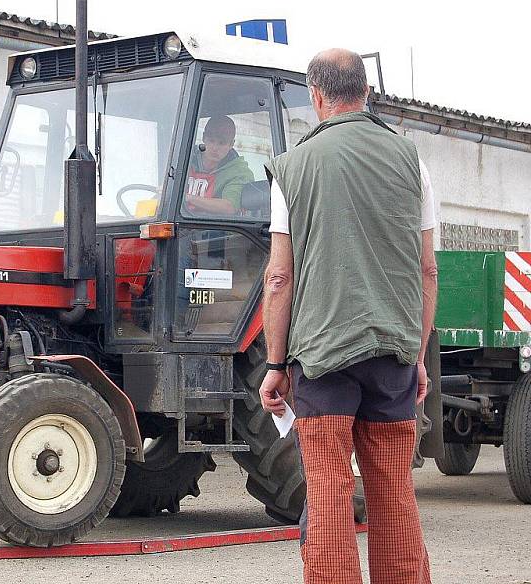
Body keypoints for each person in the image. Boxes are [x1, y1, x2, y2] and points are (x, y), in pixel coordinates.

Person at [259, 48, 436, 584]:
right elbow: (427, 270)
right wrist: (419, 357)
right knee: (393, 496)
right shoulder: (412, 161)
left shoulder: (291, 168)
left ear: (316, 96)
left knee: (330, 492)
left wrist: (274, 363)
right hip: (394, 357)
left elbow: (278, 278)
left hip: (323, 358)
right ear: (366, 91)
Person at [184, 115, 254, 216]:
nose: (215, 148)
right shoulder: (185, 159)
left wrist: (188, 198)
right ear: (204, 138)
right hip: (181, 224)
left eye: (222, 143)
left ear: (231, 144)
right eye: (211, 140)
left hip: (217, 229)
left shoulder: (239, 172)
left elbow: (230, 207)